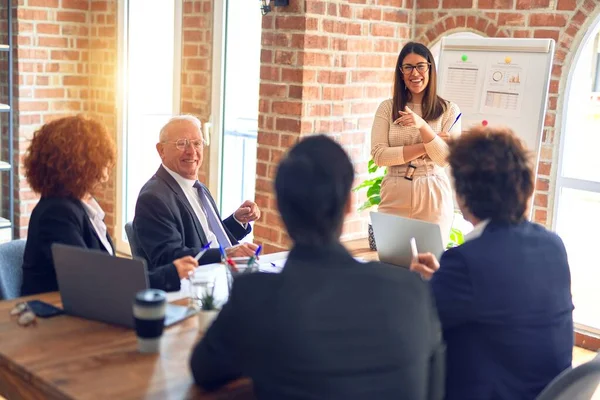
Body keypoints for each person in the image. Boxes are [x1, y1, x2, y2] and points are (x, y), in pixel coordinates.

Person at [190, 135, 445, 400]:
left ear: (279, 208)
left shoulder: (255, 297)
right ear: (348, 204)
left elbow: (205, 370)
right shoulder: (412, 290)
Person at [410, 126, 574, 400]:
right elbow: (505, 295)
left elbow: (412, 327)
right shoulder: (552, 245)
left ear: (462, 194)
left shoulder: (467, 262)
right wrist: (443, 280)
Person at [21, 115, 198, 296]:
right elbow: (93, 280)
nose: (107, 168)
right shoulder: (57, 213)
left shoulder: (81, 207)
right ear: (80, 165)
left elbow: (107, 273)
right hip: (60, 318)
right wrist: (167, 275)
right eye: (101, 159)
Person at [133, 115, 260, 287]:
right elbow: (171, 257)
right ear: (161, 150)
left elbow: (205, 239)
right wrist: (226, 254)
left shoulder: (199, 188)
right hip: (193, 288)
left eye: (197, 143)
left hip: (222, 276)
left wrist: (237, 221)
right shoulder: (153, 198)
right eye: (182, 143)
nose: (192, 151)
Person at [371, 42, 461, 241]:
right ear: (400, 72)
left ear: (430, 68)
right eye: (408, 67)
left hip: (433, 192)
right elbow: (379, 156)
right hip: (394, 191)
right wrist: (429, 143)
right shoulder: (387, 108)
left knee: (429, 265)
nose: (415, 73)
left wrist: (423, 126)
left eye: (421, 66)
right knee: (390, 263)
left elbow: (444, 159)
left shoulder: (449, 110)